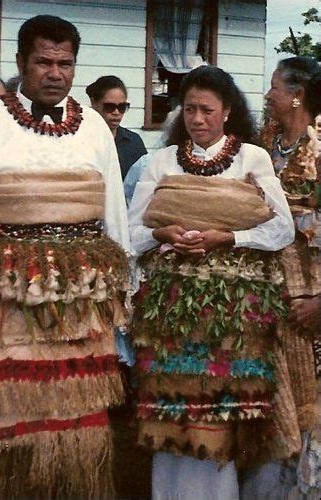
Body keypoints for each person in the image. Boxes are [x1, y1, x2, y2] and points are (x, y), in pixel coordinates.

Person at [0, 15, 130, 499]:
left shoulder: (93, 127)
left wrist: (125, 292)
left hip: (80, 307)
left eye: (65, 63)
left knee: (76, 424)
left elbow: (115, 217)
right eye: (44, 62)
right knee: (2, 422)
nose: (55, 73)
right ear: (22, 63)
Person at [128, 65, 295, 500]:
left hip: (230, 313)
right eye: (189, 110)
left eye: (207, 110)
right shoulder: (160, 161)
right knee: (172, 406)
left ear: (227, 113)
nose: (197, 119)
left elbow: (283, 229)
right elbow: (131, 232)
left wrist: (231, 236)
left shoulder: (252, 158)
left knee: (217, 411)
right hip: (171, 307)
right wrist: (162, 235)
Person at [242, 56, 321, 499]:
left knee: (311, 410)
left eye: (274, 87)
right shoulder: (264, 146)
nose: (267, 94)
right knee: (270, 404)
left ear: (297, 96)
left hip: (309, 302)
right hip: (265, 294)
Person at [86, 75, 147, 179]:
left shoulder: (134, 142)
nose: (116, 112)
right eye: (109, 107)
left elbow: (144, 180)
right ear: (93, 103)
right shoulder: (81, 139)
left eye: (122, 107)